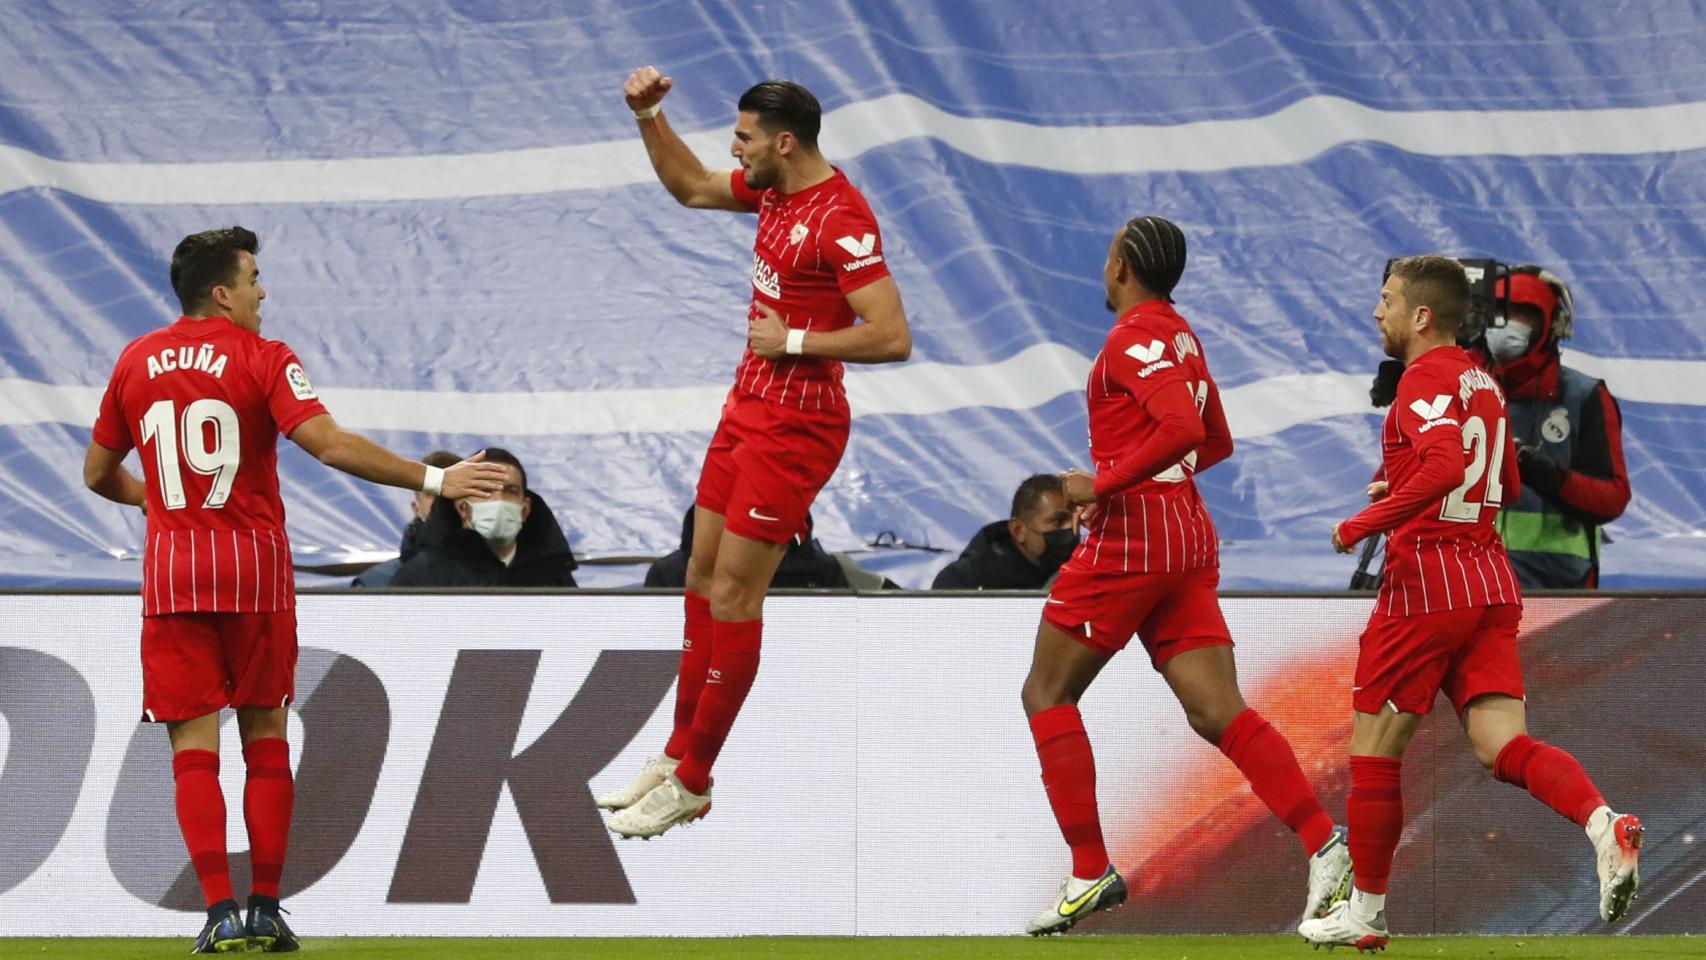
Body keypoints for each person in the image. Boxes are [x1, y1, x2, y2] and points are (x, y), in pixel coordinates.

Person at [82, 227, 507, 953]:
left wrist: (157, 501)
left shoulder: (135, 360)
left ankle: (218, 914)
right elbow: (328, 443)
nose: (263, 291)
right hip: (252, 573)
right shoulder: (263, 357)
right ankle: (268, 909)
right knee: (266, 739)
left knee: (193, 748)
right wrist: (435, 478)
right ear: (223, 292)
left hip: (175, 575)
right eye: (253, 277)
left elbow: (96, 473)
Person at [598, 67, 912, 838]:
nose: (732, 150)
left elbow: (893, 335)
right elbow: (693, 188)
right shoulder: (772, 192)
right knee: (700, 578)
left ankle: (697, 780)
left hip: (798, 425)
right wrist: (649, 117)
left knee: (737, 599)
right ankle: (676, 755)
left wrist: (797, 339)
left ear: (783, 142)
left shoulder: (842, 218)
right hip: (748, 405)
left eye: (742, 137)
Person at [1019, 216, 1350, 936]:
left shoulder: (1131, 339)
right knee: (1216, 711)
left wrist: (1101, 485)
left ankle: (1089, 868)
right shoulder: (1180, 335)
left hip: (1133, 538)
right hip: (1186, 534)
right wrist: (1156, 481)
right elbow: (1215, 439)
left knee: (1046, 691)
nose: (1103, 265)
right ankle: (1325, 843)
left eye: (1109, 254)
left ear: (1122, 269)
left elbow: (1185, 431)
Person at [1301, 255, 1643, 951]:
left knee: (1373, 752)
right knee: (1502, 745)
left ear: (1421, 315)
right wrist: (1399, 486)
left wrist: (1361, 523)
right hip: (1489, 582)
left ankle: (1364, 913)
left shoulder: (1423, 379)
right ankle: (1604, 824)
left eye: (1387, 299)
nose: (1378, 312)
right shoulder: (1482, 382)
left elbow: (1448, 466)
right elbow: (1505, 483)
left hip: (1426, 586)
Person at [1483, 266, 1631, 588]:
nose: (1507, 325)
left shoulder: (1585, 398)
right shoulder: (1458, 388)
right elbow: (1390, 484)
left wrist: (1551, 477)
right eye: (1499, 313)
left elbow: (1613, 499)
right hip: (1466, 592)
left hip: (1558, 598)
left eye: (1523, 314)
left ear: (1554, 326)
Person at [389, 447, 579, 587]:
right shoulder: (422, 576)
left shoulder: (554, 576)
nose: (499, 500)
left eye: (510, 491)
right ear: (463, 507)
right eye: (486, 490)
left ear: (525, 509)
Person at [932, 474, 1078, 590]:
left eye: (1078, 520)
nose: (1072, 529)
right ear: (1018, 530)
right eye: (1058, 521)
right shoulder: (964, 582)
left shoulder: (1084, 573)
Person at [352, 448, 461, 587]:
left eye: (451, 494)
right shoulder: (375, 584)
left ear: (467, 506)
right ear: (416, 508)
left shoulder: (494, 576)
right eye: (431, 494)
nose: (441, 502)